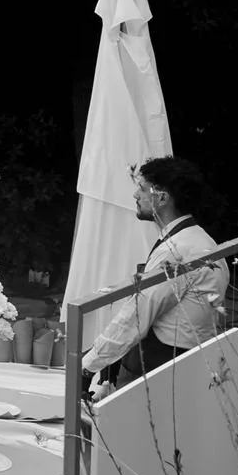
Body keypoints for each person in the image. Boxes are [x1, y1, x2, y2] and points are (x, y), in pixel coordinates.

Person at [81, 157, 228, 385]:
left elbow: (137, 316)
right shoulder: (198, 239)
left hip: (164, 369)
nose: (135, 196)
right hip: (188, 358)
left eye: (141, 189)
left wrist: (88, 365)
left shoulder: (179, 249)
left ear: (162, 198)